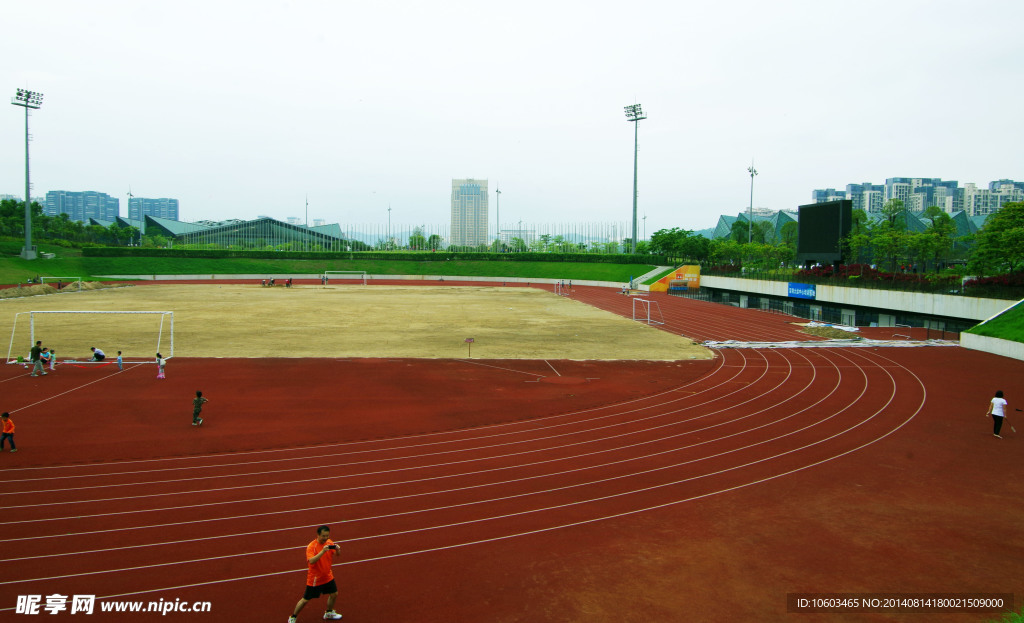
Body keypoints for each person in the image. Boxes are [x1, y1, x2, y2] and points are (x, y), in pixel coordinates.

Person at [288, 525, 343, 622]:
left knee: (334, 594)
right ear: (317, 535)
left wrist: (338, 550)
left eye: (327, 536)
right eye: (323, 536)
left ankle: (329, 613)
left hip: (327, 576)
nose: (325, 538)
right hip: (315, 579)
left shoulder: (329, 542)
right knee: (305, 599)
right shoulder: (311, 547)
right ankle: (293, 617)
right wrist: (322, 551)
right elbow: (311, 561)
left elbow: (337, 555)